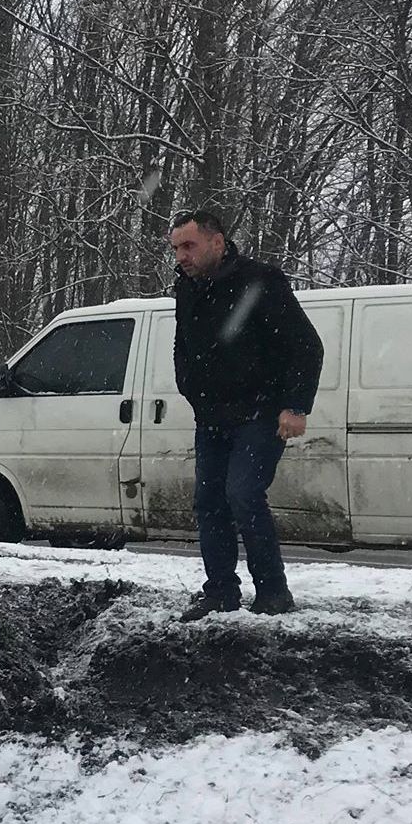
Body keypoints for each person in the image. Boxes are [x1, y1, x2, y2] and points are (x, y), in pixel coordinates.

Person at [169, 210, 324, 621]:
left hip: (259, 412)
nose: (182, 256)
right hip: (212, 416)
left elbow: (306, 346)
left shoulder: (261, 281)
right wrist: (192, 390)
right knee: (209, 502)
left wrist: (295, 405)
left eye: (189, 246)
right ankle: (220, 591)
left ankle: (273, 591)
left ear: (217, 242)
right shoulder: (185, 289)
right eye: (176, 248)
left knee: (243, 494)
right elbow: (183, 347)